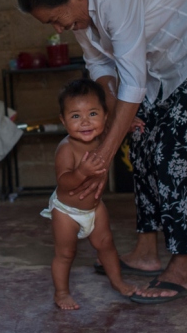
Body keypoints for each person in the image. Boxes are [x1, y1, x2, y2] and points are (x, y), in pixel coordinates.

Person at [19, 0, 187, 305]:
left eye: (56, 19)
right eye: (50, 25)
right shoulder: (81, 12)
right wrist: (114, 112)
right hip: (158, 64)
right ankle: (147, 251)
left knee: (178, 153)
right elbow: (98, 62)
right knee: (142, 142)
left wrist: (102, 155)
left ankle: (183, 268)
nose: (58, 29)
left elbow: (132, 78)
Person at [40, 78, 139, 310]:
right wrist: (81, 172)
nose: (85, 122)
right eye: (75, 116)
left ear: (106, 116)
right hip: (67, 212)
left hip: (95, 208)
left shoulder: (103, 139)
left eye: (92, 114)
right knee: (65, 254)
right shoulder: (66, 148)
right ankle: (61, 293)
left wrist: (127, 126)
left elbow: (116, 133)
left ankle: (117, 282)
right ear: (63, 121)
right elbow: (64, 183)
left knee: (107, 245)